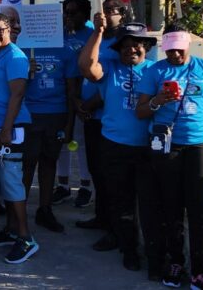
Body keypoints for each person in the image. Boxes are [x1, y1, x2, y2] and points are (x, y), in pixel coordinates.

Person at [136, 25, 203, 290]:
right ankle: (176, 262)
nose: (175, 53)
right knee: (171, 208)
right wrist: (159, 100)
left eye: (179, 48)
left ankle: (199, 270)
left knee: (198, 210)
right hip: (169, 146)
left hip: (199, 144)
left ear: (188, 45)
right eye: (170, 49)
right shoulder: (155, 70)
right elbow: (141, 112)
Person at [80, 18, 161, 274]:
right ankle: (129, 250)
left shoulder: (156, 71)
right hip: (114, 146)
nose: (131, 49)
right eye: (125, 45)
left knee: (147, 202)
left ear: (146, 47)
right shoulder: (110, 68)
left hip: (148, 148)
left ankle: (153, 252)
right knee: (120, 200)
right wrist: (99, 33)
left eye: (137, 44)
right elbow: (86, 66)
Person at [0, 13, 37, 264]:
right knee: (3, 183)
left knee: (13, 183)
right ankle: (12, 230)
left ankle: (26, 238)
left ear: (10, 29)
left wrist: (6, 128)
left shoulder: (14, 56)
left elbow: (17, 94)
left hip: (10, 129)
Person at [75, 0, 133, 241]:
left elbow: (113, 81)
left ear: (123, 13)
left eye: (112, 10)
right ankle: (101, 216)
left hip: (108, 116)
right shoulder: (98, 35)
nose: (107, 14)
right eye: (104, 10)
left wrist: (91, 103)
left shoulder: (124, 41)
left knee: (112, 176)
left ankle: (114, 226)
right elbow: (85, 65)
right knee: (96, 169)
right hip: (91, 116)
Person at [21, 25, 81, 234]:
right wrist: (26, 72)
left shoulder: (66, 51)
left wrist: (69, 123)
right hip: (30, 115)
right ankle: (18, 214)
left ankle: (44, 209)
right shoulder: (23, 50)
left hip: (56, 115)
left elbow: (71, 89)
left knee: (49, 162)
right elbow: (14, 86)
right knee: (27, 164)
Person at [54, 0, 95, 208]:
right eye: (66, 12)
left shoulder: (91, 34)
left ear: (85, 15)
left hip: (84, 97)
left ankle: (86, 187)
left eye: (73, 13)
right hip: (61, 94)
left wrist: (81, 99)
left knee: (80, 142)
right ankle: (62, 186)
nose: (68, 16)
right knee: (62, 139)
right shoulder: (59, 32)